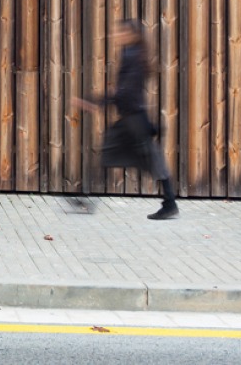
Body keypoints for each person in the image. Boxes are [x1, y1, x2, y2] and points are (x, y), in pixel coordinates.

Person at [72, 19, 179, 220]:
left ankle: (170, 204)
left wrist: (98, 102)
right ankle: (169, 203)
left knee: (150, 161)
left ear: (131, 35)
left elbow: (125, 90)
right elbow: (123, 90)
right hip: (132, 118)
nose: (116, 35)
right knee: (126, 157)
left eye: (120, 32)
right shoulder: (133, 54)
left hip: (134, 120)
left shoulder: (133, 56)